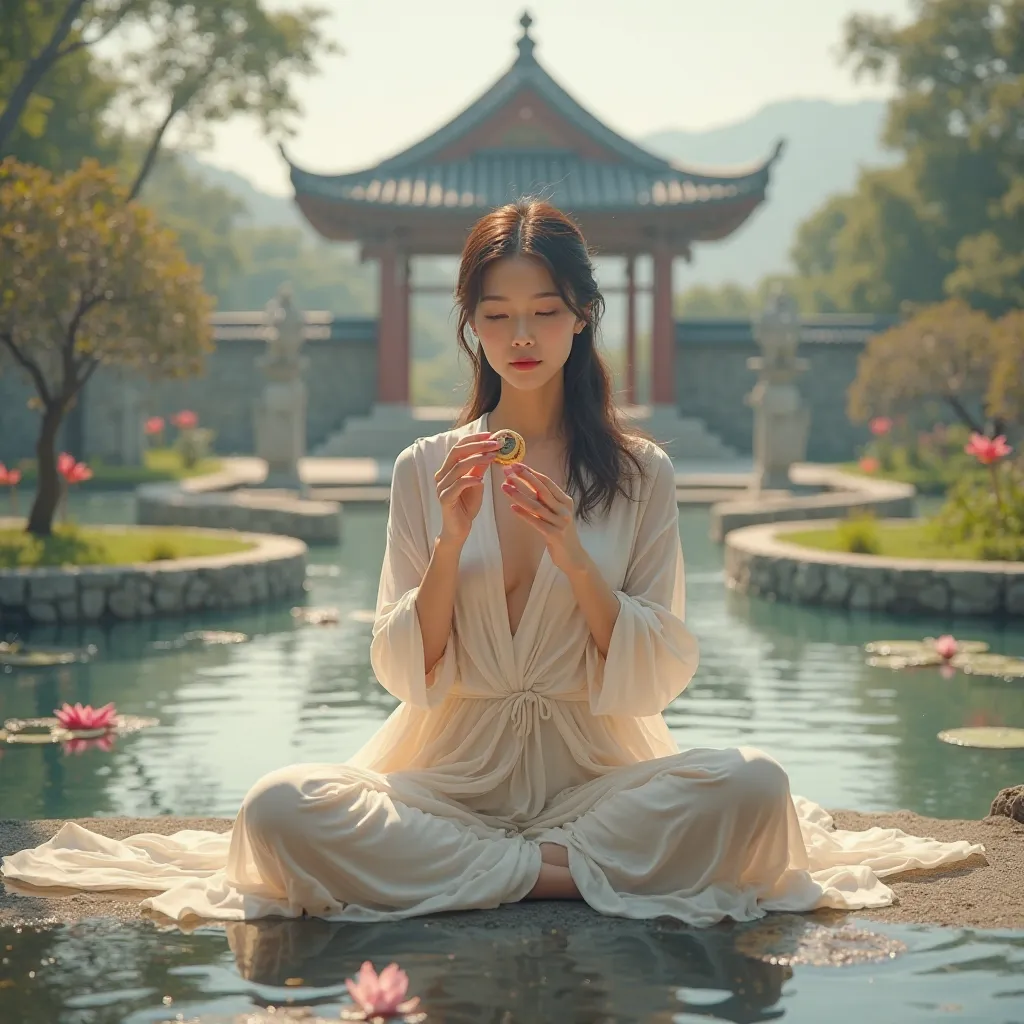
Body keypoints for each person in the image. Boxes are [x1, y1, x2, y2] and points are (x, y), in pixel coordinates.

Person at [2, 201, 982, 925]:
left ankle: (499, 867)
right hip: (447, 778)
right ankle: (553, 873)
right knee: (278, 809)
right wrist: (446, 536)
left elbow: (667, 667)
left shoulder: (641, 474)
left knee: (756, 786)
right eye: (498, 312)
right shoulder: (423, 467)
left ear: (583, 316)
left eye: (545, 311)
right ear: (470, 321)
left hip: (597, 774)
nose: (522, 335)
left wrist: (573, 552)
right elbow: (398, 671)